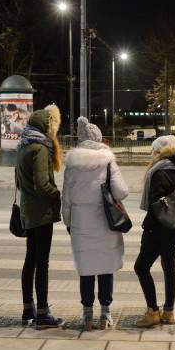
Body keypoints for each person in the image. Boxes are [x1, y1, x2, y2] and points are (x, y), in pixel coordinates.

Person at [62, 117, 129, 331]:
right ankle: (105, 314)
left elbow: (66, 200)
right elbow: (122, 192)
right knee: (105, 267)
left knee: (87, 270)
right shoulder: (108, 161)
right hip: (105, 224)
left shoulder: (71, 165)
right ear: (99, 138)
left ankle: (87, 315)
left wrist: (69, 223)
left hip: (81, 225)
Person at [135, 136, 175, 327]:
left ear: (160, 152)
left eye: (153, 151)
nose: (151, 156)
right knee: (169, 268)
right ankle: (168, 312)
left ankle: (153, 312)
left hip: (158, 229)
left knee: (141, 267)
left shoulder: (159, 171)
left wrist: (148, 228)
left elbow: (156, 205)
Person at [16, 104, 63, 330]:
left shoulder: (23, 145)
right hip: (41, 213)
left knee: (30, 260)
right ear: (46, 126)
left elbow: (19, 182)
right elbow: (43, 184)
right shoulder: (40, 148)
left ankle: (28, 308)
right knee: (42, 263)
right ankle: (43, 314)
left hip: (27, 210)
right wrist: (57, 195)